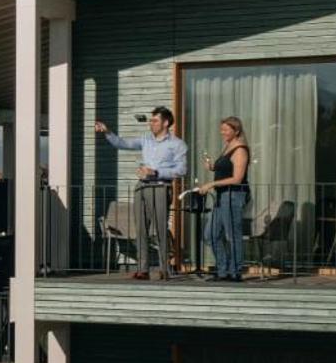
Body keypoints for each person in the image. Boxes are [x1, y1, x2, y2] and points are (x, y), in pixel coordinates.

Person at [94, 108, 188, 280]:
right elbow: (122, 143)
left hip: (160, 187)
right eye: (151, 120)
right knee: (141, 229)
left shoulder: (177, 144)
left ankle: (165, 269)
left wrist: (156, 172)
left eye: (155, 121)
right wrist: (107, 131)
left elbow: (181, 170)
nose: (151, 123)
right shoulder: (146, 139)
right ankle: (143, 269)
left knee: (160, 229)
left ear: (166, 123)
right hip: (142, 187)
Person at [195, 117, 251, 281]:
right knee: (211, 234)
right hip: (222, 196)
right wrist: (212, 166)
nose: (222, 132)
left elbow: (237, 178)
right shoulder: (228, 147)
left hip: (234, 195)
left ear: (237, 131)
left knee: (233, 235)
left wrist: (212, 183)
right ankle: (223, 269)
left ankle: (235, 272)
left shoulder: (240, 149)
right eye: (222, 129)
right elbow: (226, 169)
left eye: (226, 130)